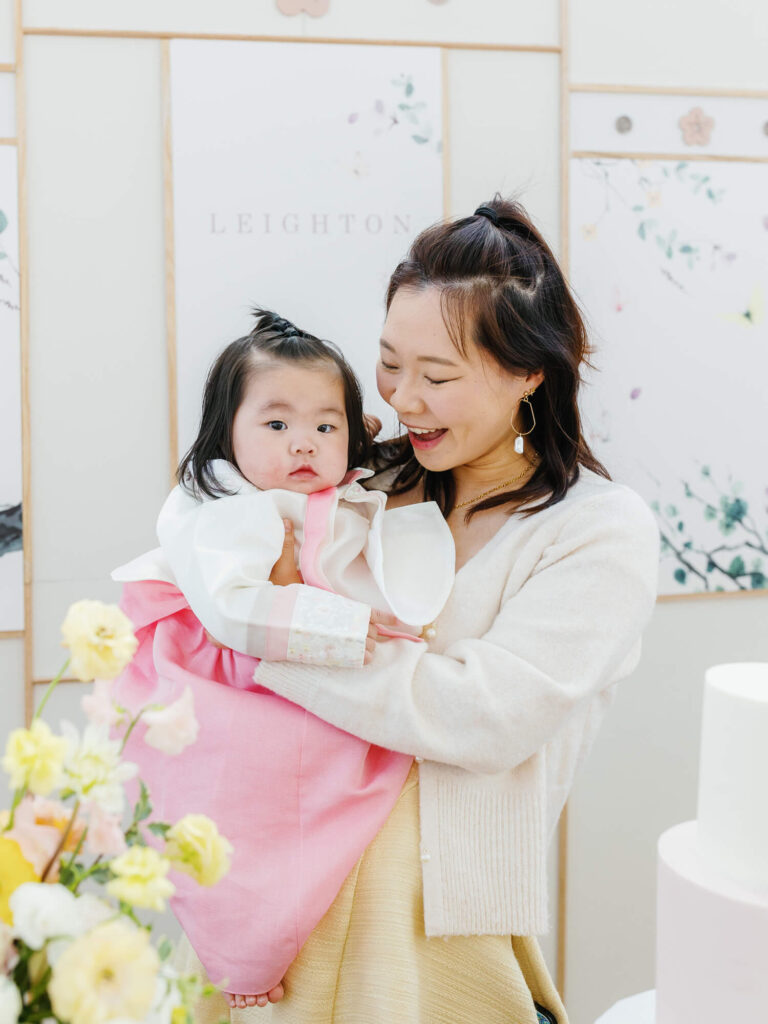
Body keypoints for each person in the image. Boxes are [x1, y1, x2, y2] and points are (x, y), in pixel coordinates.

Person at [181, 197, 660, 1024]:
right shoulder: (358, 480)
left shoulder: (596, 532)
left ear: (530, 372)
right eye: (389, 365)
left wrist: (269, 637)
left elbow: (481, 717)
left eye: (438, 377)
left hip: (438, 939)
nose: (404, 399)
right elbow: (203, 543)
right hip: (280, 915)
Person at [110, 310, 455, 1008]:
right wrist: (340, 625)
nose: (303, 442)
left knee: (325, 788)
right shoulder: (221, 504)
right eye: (276, 424)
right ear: (225, 432)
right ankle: (246, 952)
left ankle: (274, 937)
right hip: (220, 665)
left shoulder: (333, 492)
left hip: (290, 660)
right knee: (240, 797)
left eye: (326, 426)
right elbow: (234, 606)